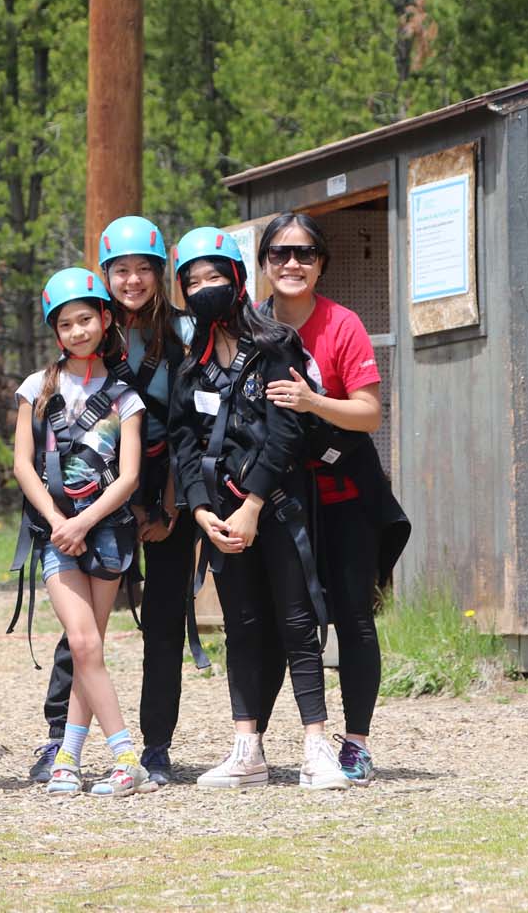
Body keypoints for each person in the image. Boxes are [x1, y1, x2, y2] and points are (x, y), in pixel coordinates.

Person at [167, 227, 349, 791]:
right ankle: (248, 749)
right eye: (193, 281)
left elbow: (285, 432)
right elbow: (182, 442)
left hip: (277, 506)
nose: (205, 289)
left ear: (239, 279)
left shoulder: (275, 345)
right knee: (242, 626)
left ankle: (318, 746)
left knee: (298, 622)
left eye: (215, 277)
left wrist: (252, 504)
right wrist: (201, 513)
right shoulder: (190, 365)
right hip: (220, 517)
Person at [30, 218, 198, 788]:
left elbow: (188, 430)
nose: (132, 280)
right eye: (121, 270)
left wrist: (169, 507)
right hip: (97, 498)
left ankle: (154, 745)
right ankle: (61, 737)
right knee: (81, 619)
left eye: (143, 269)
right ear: (106, 277)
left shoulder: (184, 333)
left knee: (165, 619)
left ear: (160, 273)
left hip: (165, 492)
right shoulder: (88, 327)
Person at [258, 212, 409, 787]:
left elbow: (368, 413)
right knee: (283, 620)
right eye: (280, 253)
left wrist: (311, 401)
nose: (292, 263)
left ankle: (358, 743)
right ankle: (267, 743)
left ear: (321, 263)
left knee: (351, 616)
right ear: (265, 263)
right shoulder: (251, 326)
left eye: (304, 253)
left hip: (345, 492)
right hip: (279, 496)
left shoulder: (342, 324)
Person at [12, 267, 155, 797]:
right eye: (65, 324)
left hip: (107, 529)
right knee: (82, 639)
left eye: (85, 320)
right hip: (56, 533)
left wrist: (85, 521)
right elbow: (23, 464)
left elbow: (132, 474)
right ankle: (125, 756)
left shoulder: (126, 396)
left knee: (88, 647)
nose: (76, 332)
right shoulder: (37, 387)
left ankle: (69, 756)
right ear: (55, 332)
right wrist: (58, 523)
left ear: (105, 319)